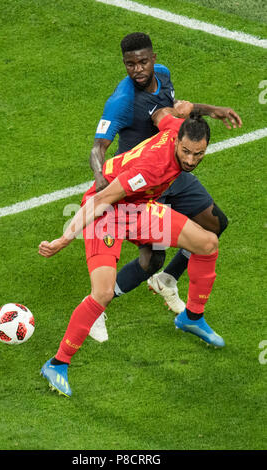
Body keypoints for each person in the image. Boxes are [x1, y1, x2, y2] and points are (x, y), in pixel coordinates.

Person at [39, 102, 225, 397]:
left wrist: (209, 109)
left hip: (137, 210)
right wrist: (65, 238)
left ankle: (191, 317)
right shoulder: (152, 168)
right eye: (186, 152)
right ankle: (57, 363)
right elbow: (101, 200)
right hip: (107, 214)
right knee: (101, 292)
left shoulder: (181, 129)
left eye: (198, 154)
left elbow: (165, 114)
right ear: (177, 143)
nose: (190, 160)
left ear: (204, 145)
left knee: (208, 243)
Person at [88, 32, 242, 342]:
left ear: (154, 58)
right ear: (124, 65)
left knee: (215, 225)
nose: (138, 69)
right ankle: (95, 309)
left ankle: (169, 280)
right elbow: (97, 148)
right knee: (150, 259)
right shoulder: (122, 101)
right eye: (130, 64)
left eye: (143, 61)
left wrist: (212, 110)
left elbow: (175, 112)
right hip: (141, 182)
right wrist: (100, 178)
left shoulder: (163, 75)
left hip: (174, 169)